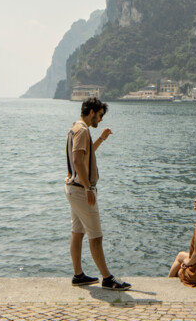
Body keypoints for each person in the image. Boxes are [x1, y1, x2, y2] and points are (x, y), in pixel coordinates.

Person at [64, 96, 131, 291]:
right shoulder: (83, 130)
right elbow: (78, 160)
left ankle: (78, 275)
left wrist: (101, 138)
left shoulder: (75, 128)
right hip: (80, 190)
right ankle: (107, 278)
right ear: (92, 112)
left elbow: (85, 155)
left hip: (72, 188)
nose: (100, 119)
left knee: (77, 232)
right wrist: (88, 187)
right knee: (96, 236)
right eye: (100, 115)